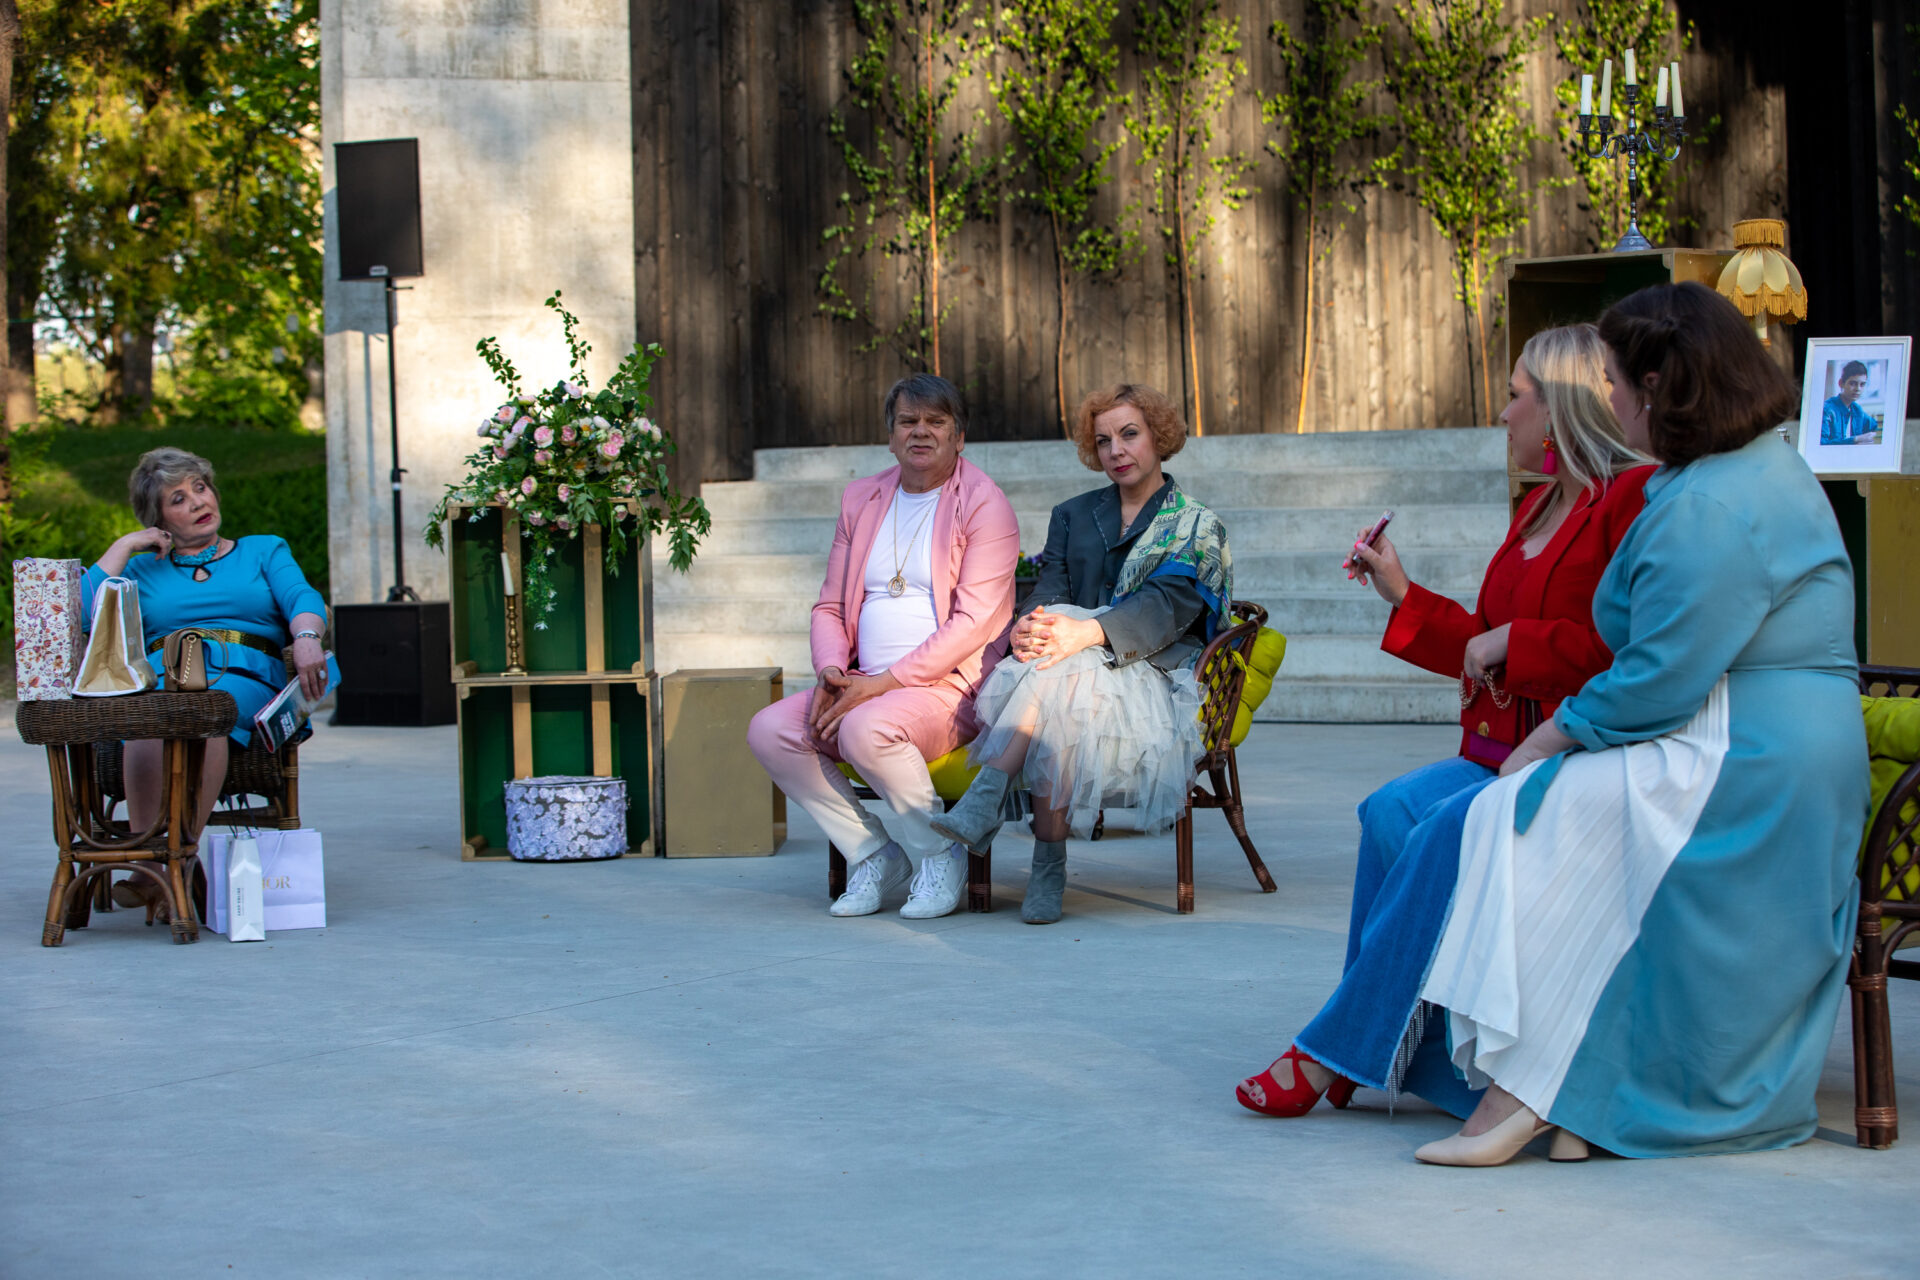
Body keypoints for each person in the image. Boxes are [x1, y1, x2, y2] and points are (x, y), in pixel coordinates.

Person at [1409, 281, 1868, 1165]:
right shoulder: (1730, 473)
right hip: (1733, 733)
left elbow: (1660, 676)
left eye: (1617, 382)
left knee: (1522, 810)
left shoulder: (1714, 502)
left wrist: (1548, 737)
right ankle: (1565, 1089)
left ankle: (1525, 1089)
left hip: (1751, 758)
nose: (1611, 399)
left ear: (1658, 388)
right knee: (1526, 810)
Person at [1235, 324, 1652, 1125]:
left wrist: (1516, 642)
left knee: (1442, 828)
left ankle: (1335, 1050)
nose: (1503, 413)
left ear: (1559, 404)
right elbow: (1483, 646)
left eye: (1516, 395)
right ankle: (1370, 1041)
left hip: (1577, 753)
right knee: (1389, 809)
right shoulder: (1538, 505)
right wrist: (1402, 593)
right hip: (1503, 747)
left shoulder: (1628, 501)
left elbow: (1631, 648)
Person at [930, 383, 1230, 925]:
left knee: (1065, 675)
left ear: (1159, 436)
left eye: (1129, 434)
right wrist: (1031, 625)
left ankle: (1000, 814)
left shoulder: (1195, 524)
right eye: (1104, 440)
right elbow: (1049, 588)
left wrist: (1083, 634)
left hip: (1150, 673)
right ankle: (1040, 858)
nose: (1116, 450)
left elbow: (1167, 608)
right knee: (1065, 681)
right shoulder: (1072, 514)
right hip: (1066, 668)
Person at [746, 374, 1019, 919]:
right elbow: (829, 606)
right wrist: (832, 671)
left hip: (950, 689)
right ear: (890, 437)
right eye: (908, 421)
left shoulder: (984, 504)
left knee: (864, 727)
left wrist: (881, 685)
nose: (921, 432)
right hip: (863, 682)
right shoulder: (862, 498)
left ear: (959, 436)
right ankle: (872, 852)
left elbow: (972, 624)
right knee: (771, 730)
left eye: (936, 422)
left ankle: (940, 853)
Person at [84, 447, 339, 919]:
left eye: (200, 488)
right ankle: (156, 863)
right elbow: (82, 615)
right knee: (148, 720)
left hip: (240, 680)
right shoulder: (139, 570)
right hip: (163, 680)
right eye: (178, 499)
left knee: (209, 713)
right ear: (159, 519)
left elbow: (302, 597)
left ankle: (170, 861)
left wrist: (306, 637)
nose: (198, 502)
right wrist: (124, 546)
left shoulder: (264, 550)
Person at [1821, 359, 1879, 444]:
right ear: (1841, 383)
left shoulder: (1857, 409)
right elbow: (1822, 444)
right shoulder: (1827, 410)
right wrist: (1855, 439)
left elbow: (1874, 425)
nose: (1858, 389)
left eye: (1862, 384)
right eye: (1853, 383)